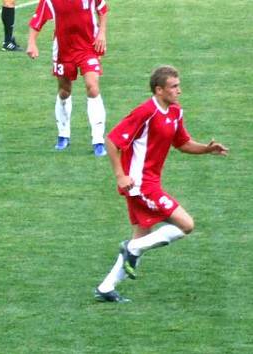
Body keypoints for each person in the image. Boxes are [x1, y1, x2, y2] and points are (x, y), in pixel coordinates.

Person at [94, 65, 229, 303]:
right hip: (140, 185)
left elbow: (183, 143)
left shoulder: (175, 112)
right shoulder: (145, 112)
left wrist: (207, 150)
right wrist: (120, 176)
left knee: (141, 235)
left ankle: (106, 287)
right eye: (174, 86)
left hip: (151, 182)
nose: (179, 91)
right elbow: (112, 141)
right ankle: (131, 250)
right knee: (185, 224)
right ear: (159, 90)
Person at [26, 0, 109, 156]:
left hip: (88, 46)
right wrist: (32, 43)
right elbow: (37, 20)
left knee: (93, 86)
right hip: (64, 48)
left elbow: (102, 9)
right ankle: (63, 134)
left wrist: (102, 33)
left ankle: (98, 141)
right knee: (64, 91)